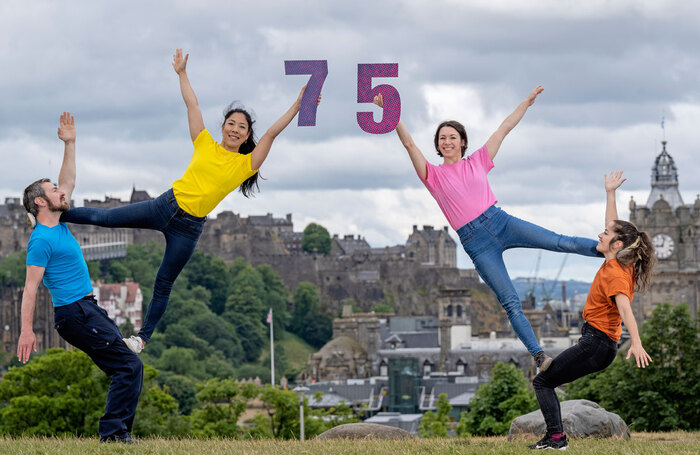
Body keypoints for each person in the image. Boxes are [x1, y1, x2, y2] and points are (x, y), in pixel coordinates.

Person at [60, 49, 319, 354]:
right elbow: (192, 103)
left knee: (163, 282)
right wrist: (182, 73)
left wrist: (299, 105)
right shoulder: (204, 141)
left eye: (242, 128)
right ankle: (56, 215)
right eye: (231, 124)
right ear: (223, 126)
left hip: (188, 228)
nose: (235, 130)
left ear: (248, 135)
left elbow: (273, 133)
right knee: (107, 218)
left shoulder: (246, 164)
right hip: (164, 206)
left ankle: (141, 338)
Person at [373, 87, 602, 370]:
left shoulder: (478, 160)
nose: (447, 142)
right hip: (476, 243)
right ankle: (539, 356)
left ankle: (604, 250)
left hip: (500, 221)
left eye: (452, 137)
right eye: (442, 138)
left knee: (557, 241)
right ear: (437, 145)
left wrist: (526, 104)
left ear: (462, 142)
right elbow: (409, 144)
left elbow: (503, 129)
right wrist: (391, 113)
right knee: (510, 301)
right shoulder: (433, 175)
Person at [18, 112, 143, 444]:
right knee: (128, 367)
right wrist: (27, 330)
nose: (62, 191)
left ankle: (117, 434)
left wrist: (70, 143)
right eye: (53, 189)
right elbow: (30, 289)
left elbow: (68, 181)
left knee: (127, 368)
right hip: (75, 313)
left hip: (87, 309)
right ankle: (114, 435)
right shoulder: (41, 240)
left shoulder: (58, 223)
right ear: (40, 201)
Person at [528, 171, 655, 450]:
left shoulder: (616, 273)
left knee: (542, 382)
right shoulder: (624, 262)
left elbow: (625, 308)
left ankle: (556, 439)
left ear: (617, 245)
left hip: (595, 344)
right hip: (600, 345)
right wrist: (610, 193)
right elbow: (613, 225)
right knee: (548, 381)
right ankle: (556, 437)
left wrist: (636, 341)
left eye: (606, 234)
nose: (601, 233)